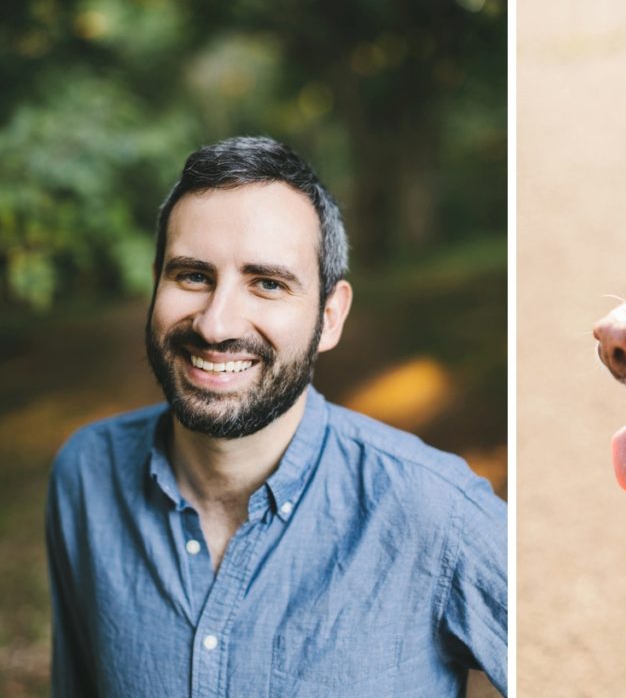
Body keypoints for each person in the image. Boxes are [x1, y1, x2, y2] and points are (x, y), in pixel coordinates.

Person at [45, 136, 507, 698]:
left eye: (267, 283)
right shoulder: (85, 475)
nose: (216, 325)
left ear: (329, 317)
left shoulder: (439, 513)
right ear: (156, 283)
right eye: (192, 275)